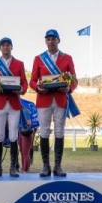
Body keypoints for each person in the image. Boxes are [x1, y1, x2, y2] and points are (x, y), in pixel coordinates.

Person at [30, 29, 78, 177]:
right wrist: (37, 88)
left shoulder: (67, 58)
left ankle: (58, 165)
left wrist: (69, 88)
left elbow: (74, 80)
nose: (50, 42)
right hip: (44, 100)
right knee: (44, 131)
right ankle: (45, 166)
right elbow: (32, 80)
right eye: (48, 39)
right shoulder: (39, 59)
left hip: (60, 99)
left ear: (58, 40)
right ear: (45, 41)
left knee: (59, 131)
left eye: (53, 39)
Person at [0, 37, 29, 177]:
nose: (5, 47)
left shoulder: (19, 64)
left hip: (14, 103)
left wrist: (21, 90)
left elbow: (24, 83)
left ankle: (13, 166)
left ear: (11, 47)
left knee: (13, 135)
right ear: (0, 48)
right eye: (3, 45)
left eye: (8, 45)